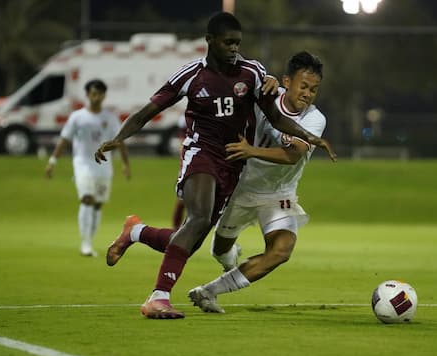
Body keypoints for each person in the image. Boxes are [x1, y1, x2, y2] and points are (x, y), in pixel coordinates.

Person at [95, 12, 336, 320]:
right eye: (228, 43)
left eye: (238, 43)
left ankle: (138, 234)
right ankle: (159, 293)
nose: (235, 48)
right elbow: (147, 111)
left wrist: (310, 137)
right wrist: (119, 138)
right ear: (210, 41)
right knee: (198, 227)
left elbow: (282, 131)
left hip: (252, 177)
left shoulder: (254, 75)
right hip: (211, 159)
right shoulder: (199, 76)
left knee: (195, 237)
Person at [187, 51, 326, 313]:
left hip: (278, 193)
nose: (308, 94)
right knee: (220, 249)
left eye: (314, 90)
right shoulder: (265, 97)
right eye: (303, 86)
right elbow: (238, 79)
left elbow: (293, 155)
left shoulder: (315, 119)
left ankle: (208, 291)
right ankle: (229, 259)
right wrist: (264, 79)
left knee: (281, 250)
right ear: (287, 81)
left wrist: (251, 150)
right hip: (240, 188)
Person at [45, 79, 130, 257]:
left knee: (98, 204)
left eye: (99, 93)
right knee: (87, 198)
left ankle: (90, 240)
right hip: (82, 163)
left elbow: (119, 140)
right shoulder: (77, 117)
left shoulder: (110, 118)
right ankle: (85, 243)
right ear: (87, 95)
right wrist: (52, 161)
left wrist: (125, 164)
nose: (95, 97)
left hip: (103, 166)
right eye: (92, 93)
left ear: (104, 95)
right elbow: (64, 139)